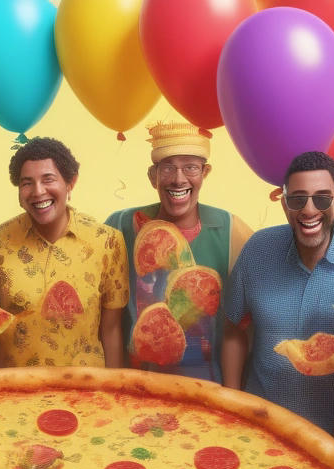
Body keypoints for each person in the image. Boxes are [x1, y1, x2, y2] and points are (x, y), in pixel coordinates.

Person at [223, 151, 334, 432]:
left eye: (322, 198)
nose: (309, 209)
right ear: (284, 203)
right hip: (256, 425)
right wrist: (231, 403)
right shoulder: (257, 249)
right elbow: (233, 329)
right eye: (298, 198)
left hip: (331, 437)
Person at [105, 122, 252, 381]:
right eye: (168, 167)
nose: (179, 178)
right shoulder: (120, 226)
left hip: (208, 390)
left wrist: (232, 394)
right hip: (135, 389)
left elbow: (247, 321)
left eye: (191, 167)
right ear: (153, 176)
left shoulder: (232, 231)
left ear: (205, 173)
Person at [0, 137, 129, 370]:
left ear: (70, 182)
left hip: (85, 392)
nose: (38, 191)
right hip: (14, 393)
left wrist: (114, 396)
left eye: (48, 179)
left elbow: (112, 330)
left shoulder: (107, 242)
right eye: (27, 183)